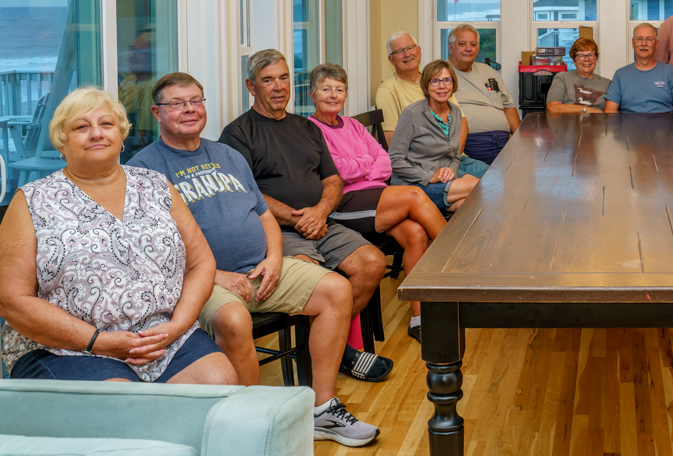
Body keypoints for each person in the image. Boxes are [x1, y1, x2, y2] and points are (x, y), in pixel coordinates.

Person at [130, 73, 379, 447]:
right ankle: (250, 427)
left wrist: (275, 258)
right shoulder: (143, 169)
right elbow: (149, 249)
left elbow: (264, 215)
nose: (189, 110)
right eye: (177, 103)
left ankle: (323, 410)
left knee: (336, 289)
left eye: (196, 101)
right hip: (202, 280)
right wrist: (217, 276)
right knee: (233, 319)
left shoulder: (227, 155)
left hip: (261, 268)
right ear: (156, 112)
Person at [0, 87, 235, 385]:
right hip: (65, 348)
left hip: (163, 335)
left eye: (106, 124)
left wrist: (177, 326)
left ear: (121, 134)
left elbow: (201, 264)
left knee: (221, 381)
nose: (96, 133)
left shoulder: (156, 185)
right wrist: (97, 341)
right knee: (121, 402)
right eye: (81, 127)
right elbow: (12, 299)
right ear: (62, 140)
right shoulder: (32, 200)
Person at [219, 49, 392, 383]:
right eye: (268, 80)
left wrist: (321, 211)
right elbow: (246, 192)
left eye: (284, 78)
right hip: (277, 232)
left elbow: (333, 180)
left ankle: (329, 346)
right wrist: (298, 219)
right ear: (251, 86)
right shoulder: (238, 134)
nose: (279, 87)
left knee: (372, 262)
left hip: (323, 223)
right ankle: (340, 354)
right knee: (316, 280)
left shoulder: (306, 127)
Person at [307, 62, 448, 341]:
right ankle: (458, 263)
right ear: (312, 94)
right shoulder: (311, 130)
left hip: (377, 195)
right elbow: (338, 171)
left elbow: (384, 160)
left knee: (416, 234)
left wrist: (361, 167)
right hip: (345, 204)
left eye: (339, 89)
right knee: (414, 195)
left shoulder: (354, 125)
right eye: (326, 89)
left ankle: (418, 320)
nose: (333, 95)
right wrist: (365, 163)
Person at [390, 61, 481, 217]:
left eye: (447, 80)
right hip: (415, 182)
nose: (442, 86)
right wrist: (429, 176)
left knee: (469, 204)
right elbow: (394, 160)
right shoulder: (412, 113)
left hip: (443, 176)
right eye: (435, 81)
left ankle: (442, 218)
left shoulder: (455, 112)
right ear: (426, 85)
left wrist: (452, 170)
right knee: (480, 188)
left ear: (453, 84)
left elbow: (455, 155)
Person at [447, 24, 519, 164]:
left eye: (473, 44)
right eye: (462, 44)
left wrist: (521, 142)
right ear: (451, 47)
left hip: (504, 144)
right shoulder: (441, 74)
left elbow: (508, 107)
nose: (468, 48)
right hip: (470, 146)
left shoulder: (489, 71)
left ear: (478, 48)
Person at [377, 31, 455, 146]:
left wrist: (454, 152)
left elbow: (461, 121)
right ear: (391, 60)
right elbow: (390, 139)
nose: (407, 54)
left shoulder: (437, 80)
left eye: (410, 47)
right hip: (421, 156)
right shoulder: (387, 90)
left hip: (454, 152)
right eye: (399, 51)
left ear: (419, 51)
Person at [604, 24, 673, 114]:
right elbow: (609, 111)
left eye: (649, 39)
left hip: (664, 122)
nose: (644, 43)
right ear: (633, 43)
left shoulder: (670, 72)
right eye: (639, 39)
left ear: (656, 44)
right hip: (630, 123)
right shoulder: (620, 74)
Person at [545, 38, 610, 113]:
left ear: (596, 58)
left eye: (590, 55)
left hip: (598, 120)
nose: (586, 59)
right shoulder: (562, 78)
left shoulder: (607, 84)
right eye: (581, 55)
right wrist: (587, 110)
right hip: (569, 121)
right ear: (574, 61)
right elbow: (552, 108)